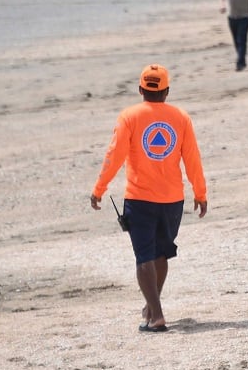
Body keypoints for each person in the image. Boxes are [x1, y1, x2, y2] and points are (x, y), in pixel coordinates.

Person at [89, 64, 207, 333]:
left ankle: (156, 316)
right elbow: (192, 159)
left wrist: (99, 188)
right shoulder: (181, 118)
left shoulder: (129, 116)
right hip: (172, 200)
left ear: (141, 89)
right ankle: (152, 308)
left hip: (140, 199)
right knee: (161, 254)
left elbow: (113, 156)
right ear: (166, 91)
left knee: (144, 257)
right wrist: (200, 193)